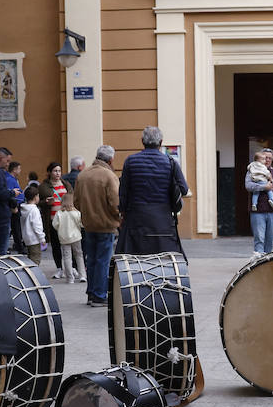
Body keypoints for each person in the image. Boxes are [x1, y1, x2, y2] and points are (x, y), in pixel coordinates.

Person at [117, 126, 188, 256]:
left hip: (136, 221)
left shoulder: (130, 161)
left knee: (135, 261)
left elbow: (123, 192)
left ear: (142, 141)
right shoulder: (170, 162)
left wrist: (122, 214)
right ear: (161, 142)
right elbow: (184, 189)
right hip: (163, 223)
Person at [74, 144, 121, 306]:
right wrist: (119, 217)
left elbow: (76, 202)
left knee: (91, 260)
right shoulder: (109, 176)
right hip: (106, 225)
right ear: (111, 159)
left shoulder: (83, 175)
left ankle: (91, 293)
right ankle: (100, 296)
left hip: (88, 225)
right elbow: (115, 204)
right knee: (103, 261)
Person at [245, 148, 273, 255]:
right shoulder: (252, 170)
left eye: (270, 158)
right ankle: (258, 261)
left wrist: (272, 181)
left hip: (272, 211)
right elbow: (248, 186)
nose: (267, 160)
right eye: (265, 158)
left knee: (270, 239)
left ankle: (267, 261)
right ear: (260, 159)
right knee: (259, 238)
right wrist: (264, 187)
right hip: (258, 211)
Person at [38, 161, 67, 268]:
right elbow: (38, 202)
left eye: (59, 171)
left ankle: (71, 267)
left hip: (66, 219)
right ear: (50, 172)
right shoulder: (43, 186)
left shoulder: (65, 184)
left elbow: (73, 198)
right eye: (55, 171)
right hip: (53, 219)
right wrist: (45, 202)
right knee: (56, 245)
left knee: (68, 244)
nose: (58, 173)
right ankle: (59, 267)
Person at [52, 192, 86, 284]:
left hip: (64, 238)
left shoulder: (59, 213)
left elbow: (55, 225)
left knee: (67, 257)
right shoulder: (76, 213)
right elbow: (82, 224)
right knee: (79, 256)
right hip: (76, 237)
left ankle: (70, 278)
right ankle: (82, 275)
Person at [19, 184, 45, 264]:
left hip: (26, 238)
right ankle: (34, 275)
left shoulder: (23, 209)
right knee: (36, 259)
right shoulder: (34, 210)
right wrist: (42, 238)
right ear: (35, 197)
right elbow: (37, 226)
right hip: (34, 239)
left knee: (30, 259)